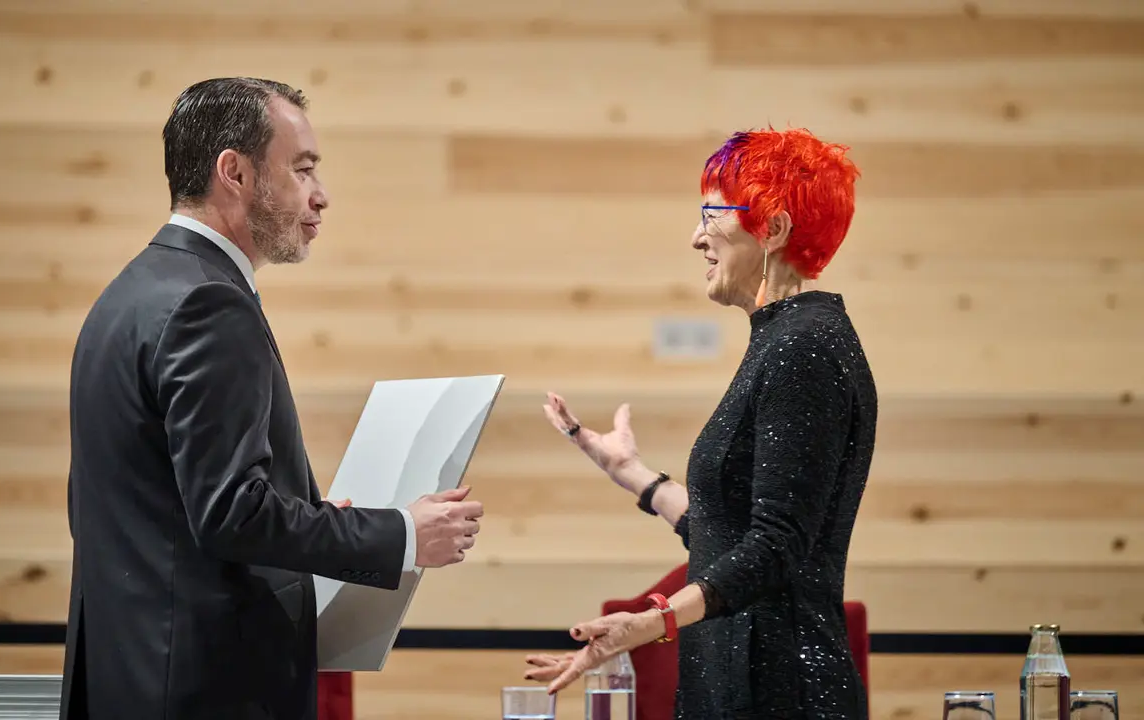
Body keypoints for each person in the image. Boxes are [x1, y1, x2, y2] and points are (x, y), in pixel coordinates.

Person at [60, 77, 484, 720]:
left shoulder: (131, 291)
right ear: (235, 171)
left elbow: (160, 505)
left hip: (131, 673)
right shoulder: (210, 302)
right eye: (303, 169)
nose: (321, 196)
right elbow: (231, 512)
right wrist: (401, 534)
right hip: (205, 692)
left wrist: (312, 520)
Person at [523, 128, 875, 718]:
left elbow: (776, 546)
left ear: (776, 228)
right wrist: (633, 474)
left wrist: (654, 621)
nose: (696, 238)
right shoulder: (785, 340)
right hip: (744, 682)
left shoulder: (804, 347)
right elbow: (731, 533)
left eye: (711, 215)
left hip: (780, 691)